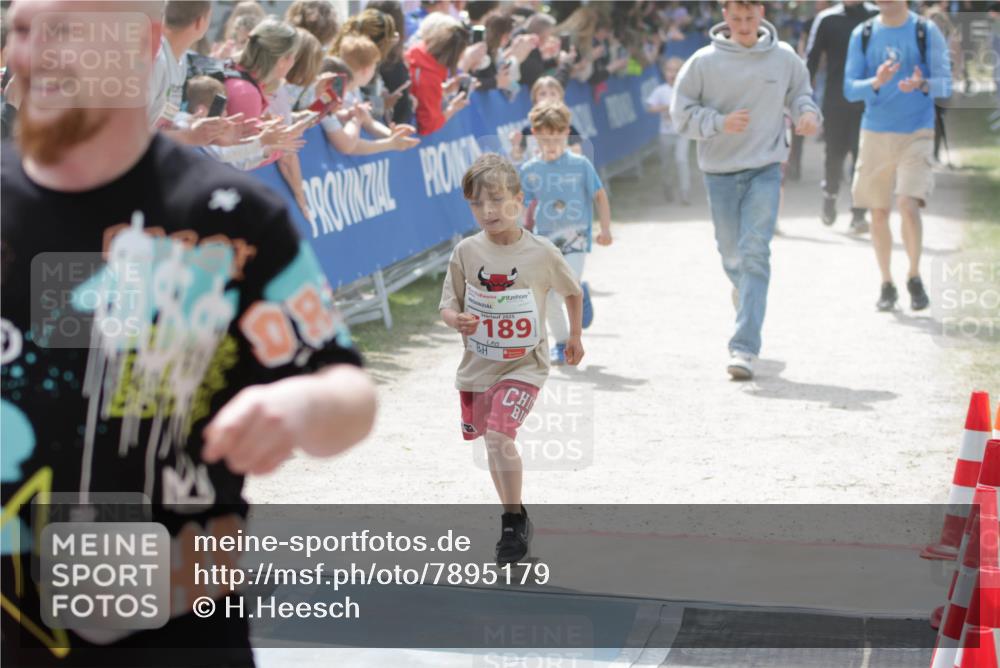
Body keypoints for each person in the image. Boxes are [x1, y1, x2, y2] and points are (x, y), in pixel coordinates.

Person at [1, 2, 376, 666]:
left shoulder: (226, 216)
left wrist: (298, 405)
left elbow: (347, 390)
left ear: (143, 44)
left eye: (65, 32)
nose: (32, 55)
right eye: (22, 30)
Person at [439, 153, 583, 565]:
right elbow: (448, 306)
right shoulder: (466, 252)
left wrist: (573, 335)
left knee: (501, 436)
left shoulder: (541, 252)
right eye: (478, 203)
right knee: (492, 445)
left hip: (525, 366)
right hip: (478, 368)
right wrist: (458, 320)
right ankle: (514, 516)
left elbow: (572, 291)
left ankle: (509, 526)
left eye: (499, 200)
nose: (489, 210)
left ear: (519, 201)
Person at [671, 0, 821, 380]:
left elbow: (802, 93)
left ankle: (744, 347)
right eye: (735, 18)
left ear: (761, 13)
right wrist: (719, 122)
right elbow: (681, 115)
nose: (742, 24)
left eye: (749, 17)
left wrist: (807, 114)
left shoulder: (783, 57)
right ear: (724, 14)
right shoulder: (703, 62)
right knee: (732, 254)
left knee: (755, 254)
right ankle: (747, 297)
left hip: (765, 168)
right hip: (719, 171)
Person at [843, 0, 952, 311]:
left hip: (917, 130)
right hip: (875, 131)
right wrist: (876, 82)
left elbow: (945, 83)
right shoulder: (862, 34)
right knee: (878, 212)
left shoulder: (925, 31)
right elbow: (850, 89)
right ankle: (887, 282)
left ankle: (914, 275)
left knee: (907, 204)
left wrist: (922, 83)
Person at [520, 102, 612, 364]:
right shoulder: (530, 170)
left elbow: (599, 195)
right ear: (535, 135)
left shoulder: (580, 164)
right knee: (547, 297)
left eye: (557, 137)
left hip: (576, 240)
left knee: (559, 292)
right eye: (545, 138)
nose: (551, 143)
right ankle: (561, 343)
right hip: (544, 242)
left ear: (566, 134)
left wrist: (605, 229)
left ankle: (577, 292)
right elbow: (521, 204)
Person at [806, 0, 879, 231]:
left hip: (868, 100)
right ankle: (830, 195)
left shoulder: (876, 16)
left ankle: (859, 213)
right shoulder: (827, 19)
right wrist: (804, 98)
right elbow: (812, 59)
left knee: (864, 157)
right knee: (834, 154)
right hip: (835, 99)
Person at [406, 14, 478, 135]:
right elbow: (427, 126)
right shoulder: (429, 78)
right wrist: (453, 108)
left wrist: (445, 90)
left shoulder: (417, 52)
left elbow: (418, 91)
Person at [645, 56, 692, 205]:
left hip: (682, 133)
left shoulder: (686, 90)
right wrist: (666, 108)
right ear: (664, 73)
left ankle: (685, 193)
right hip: (665, 133)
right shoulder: (661, 91)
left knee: (681, 160)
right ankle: (667, 186)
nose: (672, 74)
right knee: (666, 163)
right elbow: (650, 107)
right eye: (669, 70)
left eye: (676, 71)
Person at [508, 76, 583, 162]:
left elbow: (577, 153)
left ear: (561, 98)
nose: (548, 97)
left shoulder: (568, 128)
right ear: (535, 99)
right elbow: (516, 157)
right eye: (542, 94)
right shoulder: (528, 131)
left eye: (553, 93)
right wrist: (515, 145)